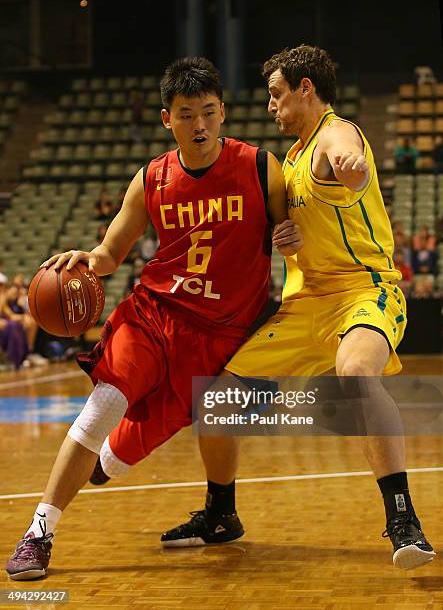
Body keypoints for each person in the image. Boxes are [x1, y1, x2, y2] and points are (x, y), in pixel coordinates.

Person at [5, 56, 302, 581]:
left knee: (122, 457)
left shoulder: (261, 167)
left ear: (224, 112)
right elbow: (109, 253)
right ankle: (38, 532)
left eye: (209, 112)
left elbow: (293, 232)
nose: (200, 125)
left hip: (219, 335)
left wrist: (292, 235)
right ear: (168, 119)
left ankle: (141, 477)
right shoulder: (152, 179)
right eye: (187, 114)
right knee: (102, 405)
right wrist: (84, 260)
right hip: (154, 313)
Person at [150, 45, 434, 570]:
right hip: (305, 307)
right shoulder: (294, 160)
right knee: (217, 401)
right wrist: (288, 234)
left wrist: (355, 169)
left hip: (363, 293)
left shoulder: (333, 133)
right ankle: (221, 514)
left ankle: (402, 518)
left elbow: (348, 156)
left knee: (355, 373)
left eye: (277, 95)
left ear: (306, 90)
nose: (271, 107)